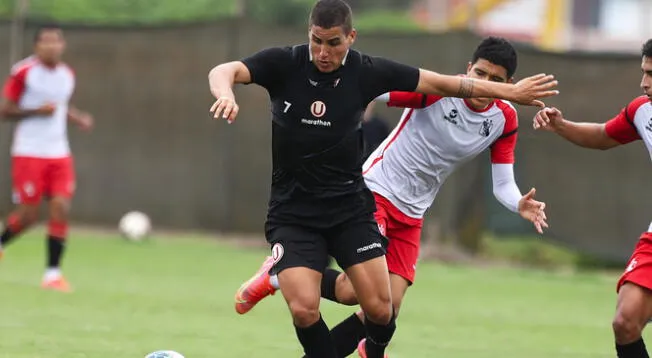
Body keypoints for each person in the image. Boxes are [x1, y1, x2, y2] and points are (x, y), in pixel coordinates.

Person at [209, 0, 556, 356]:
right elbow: (227, 70)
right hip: (370, 192)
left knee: (384, 308)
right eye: (480, 74)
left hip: (392, 209)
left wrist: (518, 201)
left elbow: (498, 174)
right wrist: (229, 94)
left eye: (496, 81)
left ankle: (307, 298)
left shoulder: (502, 119)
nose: (323, 52)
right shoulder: (289, 63)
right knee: (331, 300)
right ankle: (285, 275)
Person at [532, 39, 652, 358]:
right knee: (625, 321)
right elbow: (602, 135)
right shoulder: (642, 110)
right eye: (644, 72)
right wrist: (560, 125)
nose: (644, 82)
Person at [0, 24, 94, 292]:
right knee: (29, 215)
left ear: (62, 45)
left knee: (61, 207)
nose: (52, 46)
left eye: (56, 41)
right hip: (29, 151)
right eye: (46, 42)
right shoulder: (23, 73)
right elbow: (5, 110)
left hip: (58, 152)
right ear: (36, 46)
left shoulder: (67, 74)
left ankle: (52, 274)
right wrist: (35, 111)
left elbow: (60, 106)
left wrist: (78, 118)